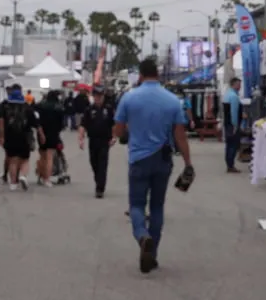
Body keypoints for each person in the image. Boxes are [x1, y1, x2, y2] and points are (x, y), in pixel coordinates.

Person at [113, 57, 193, 274]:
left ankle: (142, 236)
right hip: (162, 159)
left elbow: (118, 132)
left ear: (140, 74)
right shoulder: (172, 101)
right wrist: (188, 163)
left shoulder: (129, 98)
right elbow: (180, 136)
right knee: (157, 206)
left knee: (137, 205)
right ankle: (153, 253)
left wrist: (131, 129)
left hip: (138, 159)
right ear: (157, 74)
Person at [0, 84, 39, 190]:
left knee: (13, 160)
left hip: (10, 136)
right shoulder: (27, 107)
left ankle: (13, 183)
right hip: (24, 137)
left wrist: (1, 136)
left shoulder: (5, 106)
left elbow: (0, 121)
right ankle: (23, 176)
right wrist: (41, 134)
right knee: (25, 160)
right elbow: (35, 123)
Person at [78, 86, 115, 198]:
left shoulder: (108, 109)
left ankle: (100, 188)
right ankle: (98, 179)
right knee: (94, 163)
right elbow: (83, 125)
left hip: (104, 140)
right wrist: (81, 139)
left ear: (103, 96)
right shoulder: (89, 110)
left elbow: (113, 124)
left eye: (100, 96)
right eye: (96, 96)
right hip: (93, 140)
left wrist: (114, 137)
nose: (98, 98)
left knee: (102, 164)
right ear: (93, 97)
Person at [35, 90, 66, 186]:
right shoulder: (59, 107)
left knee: (42, 155)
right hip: (53, 133)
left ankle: (41, 175)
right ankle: (47, 180)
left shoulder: (41, 105)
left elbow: (35, 112)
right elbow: (62, 123)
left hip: (41, 132)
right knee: (50, 156)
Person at [221, 77, 244, 174]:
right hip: (232, 124)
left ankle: (229, 164)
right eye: (238, 84)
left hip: (227, 123)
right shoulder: (234, 96)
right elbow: (233, 112)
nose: (240, 86)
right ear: (233, 84)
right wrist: (235, 125)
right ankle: (231, 166)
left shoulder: (227, 94)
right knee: (233, 145)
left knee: (229, 144)